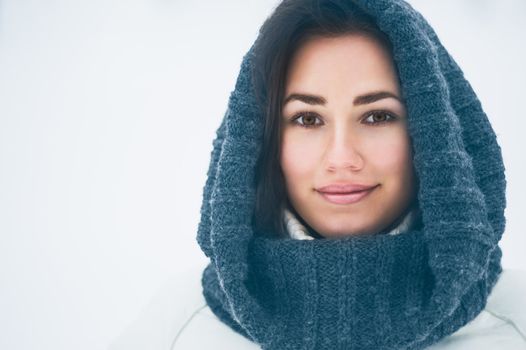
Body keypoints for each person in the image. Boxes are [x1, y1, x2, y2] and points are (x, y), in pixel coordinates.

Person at [109, 0, 526, 349]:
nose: (341, 157)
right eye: (308, 119)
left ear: (434, 133)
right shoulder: (178, 328)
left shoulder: (515, 322)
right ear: (261, 141)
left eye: (377, 115)